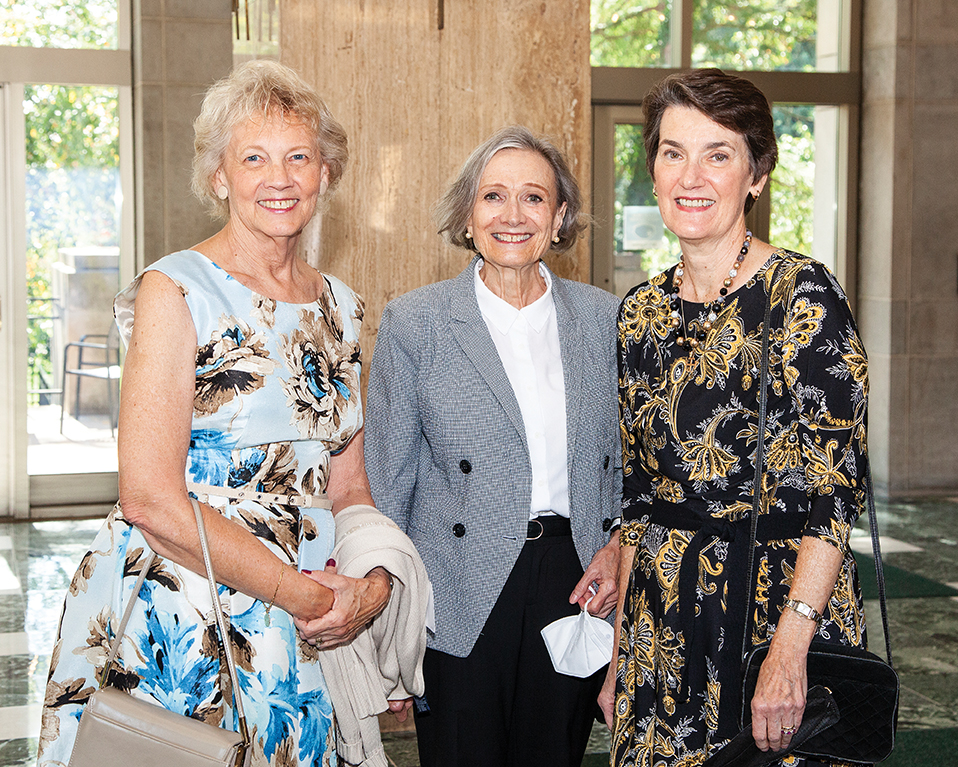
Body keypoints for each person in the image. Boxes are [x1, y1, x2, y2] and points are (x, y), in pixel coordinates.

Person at [38, 60, 417, 767]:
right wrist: (303, 595)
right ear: (219, 177)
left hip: (309, 620)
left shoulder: (342, 304)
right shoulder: (174, 288)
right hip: (187, 609)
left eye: (298, 156)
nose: (280, 178)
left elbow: (348, 486)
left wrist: (370, 587)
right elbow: (150, 498)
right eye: (254, 158)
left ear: (325, 175)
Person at [598, 68, 870, 767]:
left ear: (756, 174)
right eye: (672, 151)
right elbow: (638, 500)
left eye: (718, 154)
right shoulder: (638, 314)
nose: (692, 175)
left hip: (772, 622)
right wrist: (621, 655)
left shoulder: (803, 296)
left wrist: (790, 648)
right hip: (662, 631)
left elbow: (834, 496)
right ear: (653, 170)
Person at [364, 125, 622, 767]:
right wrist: (387, 626)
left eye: (534, 198)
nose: (513, 216)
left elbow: (634, 464)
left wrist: (619, 548)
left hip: (575, 580)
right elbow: (386, 483)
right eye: (493, 197)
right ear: (467, 214)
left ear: (560, 217)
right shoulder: (415, 322)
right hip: (456, 581)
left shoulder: (607, 320)